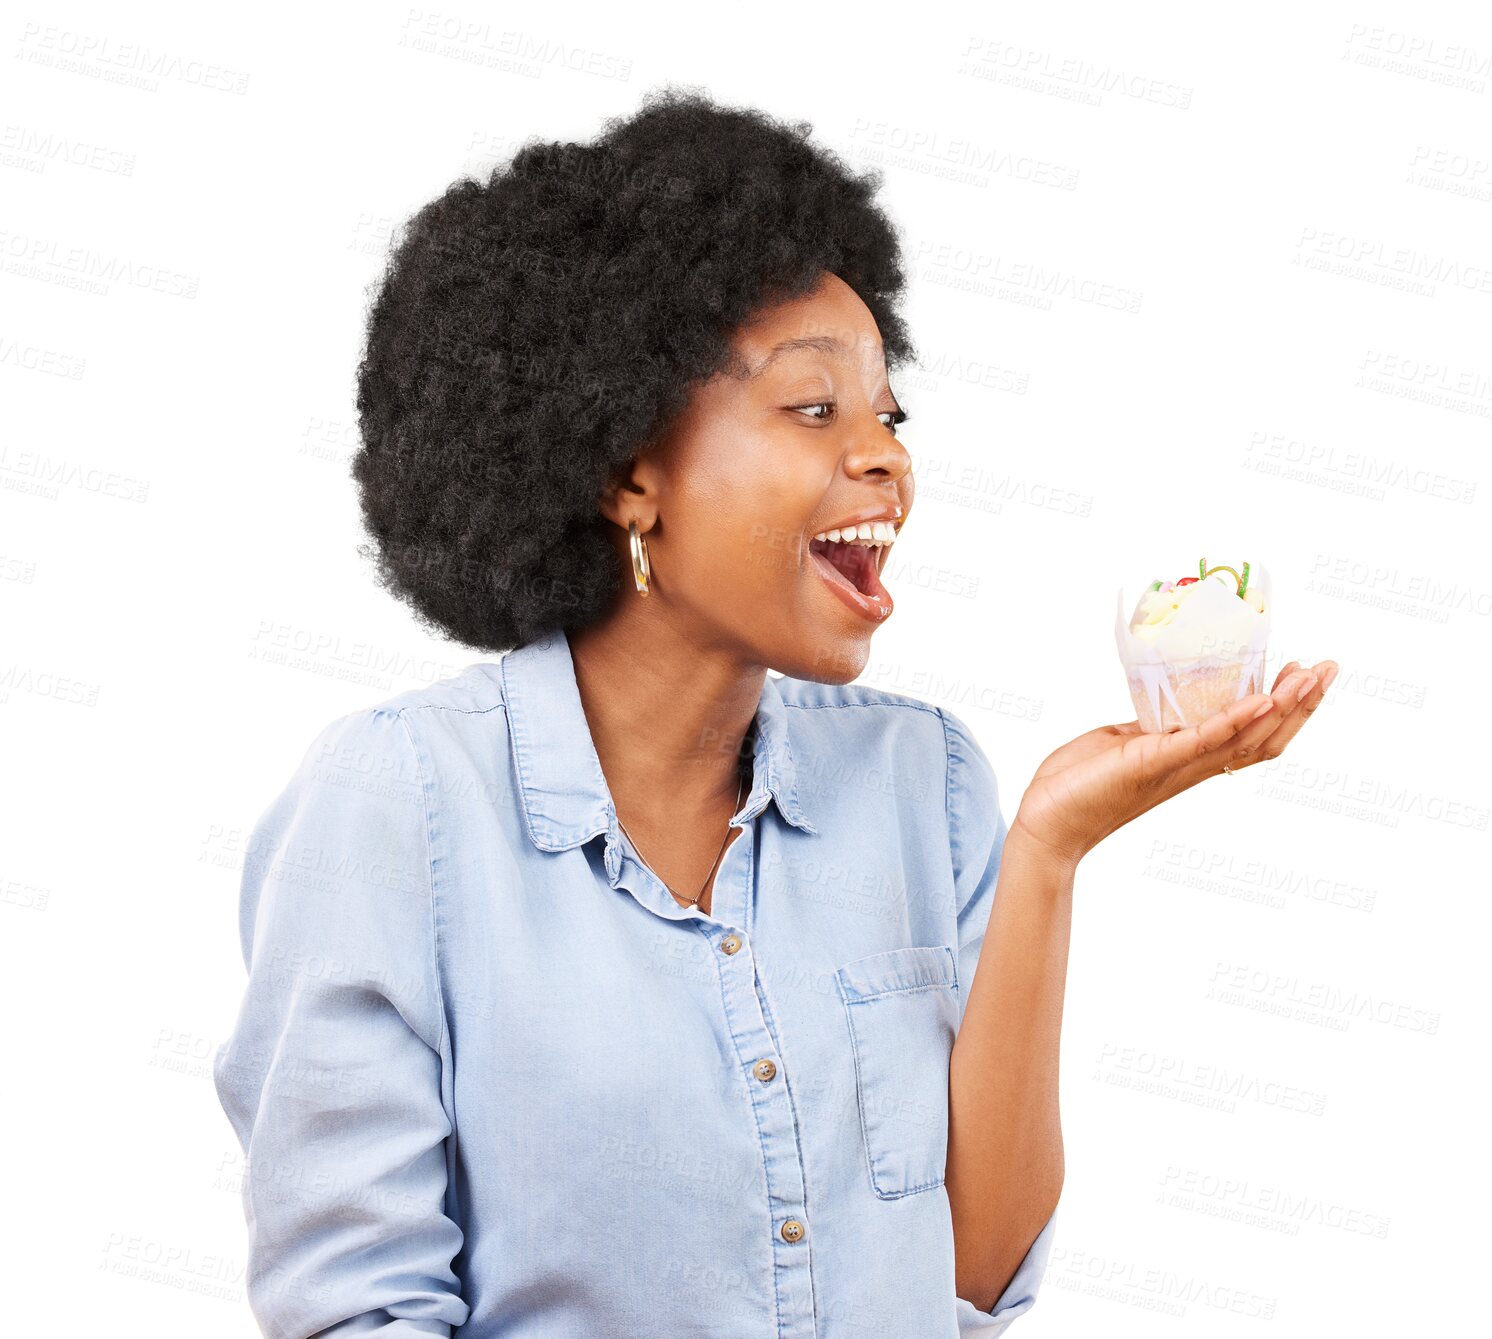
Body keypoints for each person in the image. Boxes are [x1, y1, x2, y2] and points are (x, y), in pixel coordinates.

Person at [213, 84, 1336, 1338]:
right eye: (815, 409)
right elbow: (355, 1309)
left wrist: (1047, 854)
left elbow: (971, 1273)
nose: (886, 458)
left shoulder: (929, 780)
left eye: (887, 415)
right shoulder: (400, 807)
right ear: (626, 470)